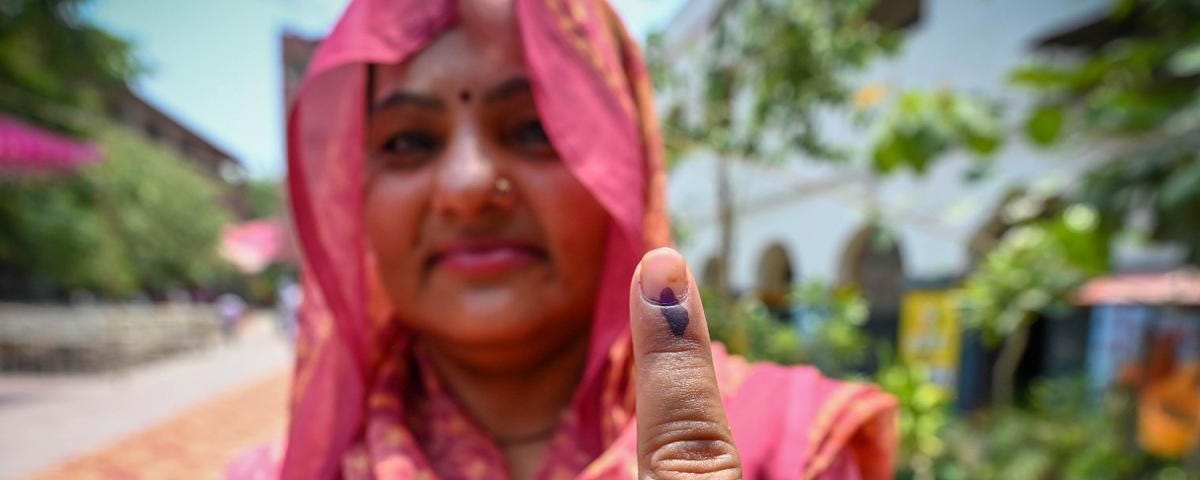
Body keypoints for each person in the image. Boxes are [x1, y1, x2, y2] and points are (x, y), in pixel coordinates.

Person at [230, 0, 897, 478]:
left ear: (627, 165)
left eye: (533, 129)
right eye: (409, 143)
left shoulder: (797, 445)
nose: (466, 185)